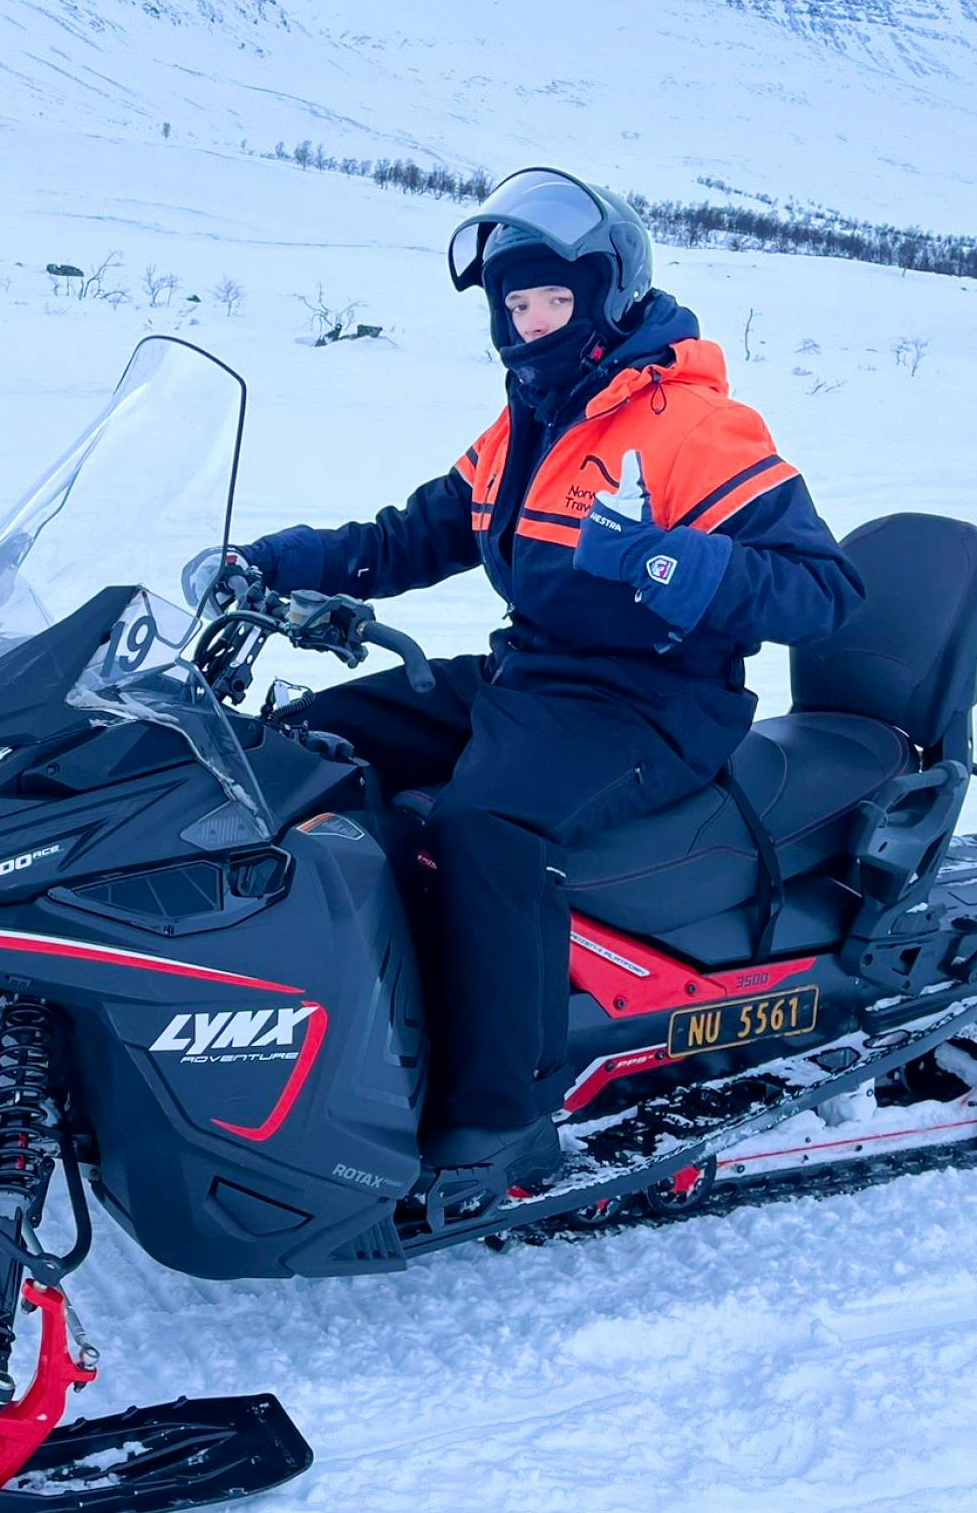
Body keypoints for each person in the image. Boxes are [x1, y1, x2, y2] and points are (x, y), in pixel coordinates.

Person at [191, 168, 865, 1210]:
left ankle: (499, 1115)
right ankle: (354, 1021)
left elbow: (825, 592)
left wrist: (678, 564)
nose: (531, 323)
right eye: (514, 305)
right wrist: (273, 562)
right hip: (534, 677)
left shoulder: (693, 424)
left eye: (552, 300)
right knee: (308, 743)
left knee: (487, 823)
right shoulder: (530, 423)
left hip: (655, 703)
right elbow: (409, 537)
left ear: (605, 297)